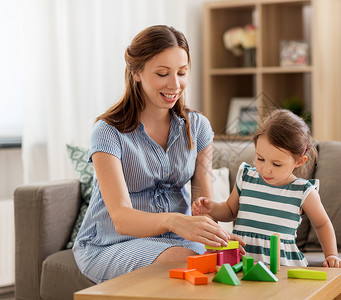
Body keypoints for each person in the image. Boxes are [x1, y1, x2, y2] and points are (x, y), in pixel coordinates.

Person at [73, 25, 237, 284]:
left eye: (182, 73)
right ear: (136, 72)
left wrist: (216, 236)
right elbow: (121, 218)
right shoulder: (107, 132)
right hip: (110, 243)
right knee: (185, 261)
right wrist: (174, 221)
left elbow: (201, 205)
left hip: (176, 241)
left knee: (228, 259)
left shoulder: (198, 128)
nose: (175, 84)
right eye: (162, 73)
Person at [192, 109, 341, 268]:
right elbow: (230, 210)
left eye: (276, 164)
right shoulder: (247, 177)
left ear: (299, 161)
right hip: (241, 261)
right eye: (260, 159)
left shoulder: (303, 192)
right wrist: (212, 208)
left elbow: (322, 224)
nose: (266, 169)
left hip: (281, 266)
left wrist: (331, 255)